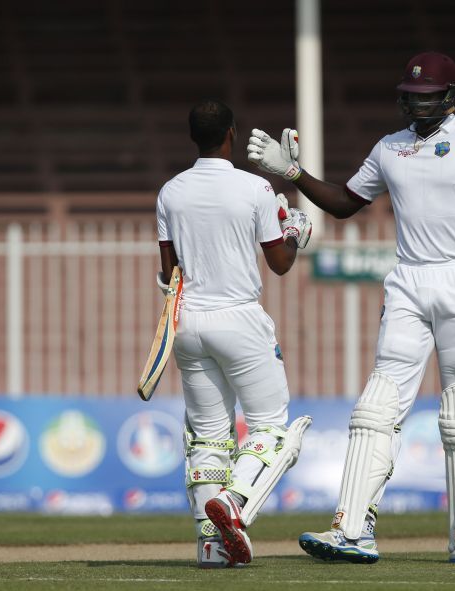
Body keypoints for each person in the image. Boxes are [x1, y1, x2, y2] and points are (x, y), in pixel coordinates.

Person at [247, 51, 455, 564]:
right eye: (411, 98)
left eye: (428, 97)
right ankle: (352, 529)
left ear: (452, 97)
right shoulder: (389, 148)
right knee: (374, 408)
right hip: (408, 281)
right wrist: (294, 173)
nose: (418, 106)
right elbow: (345, 203)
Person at [156, 99, 313, 568]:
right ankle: (236, 501)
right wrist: (296, 232)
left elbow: (169, 272)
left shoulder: (170, 192)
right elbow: (281, 264)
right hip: (239, 318)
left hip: (188, 321)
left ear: (193, 137)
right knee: (272, 429)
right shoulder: (256, 188)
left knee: (207, 438)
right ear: (230, 134)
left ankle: (211, 544)